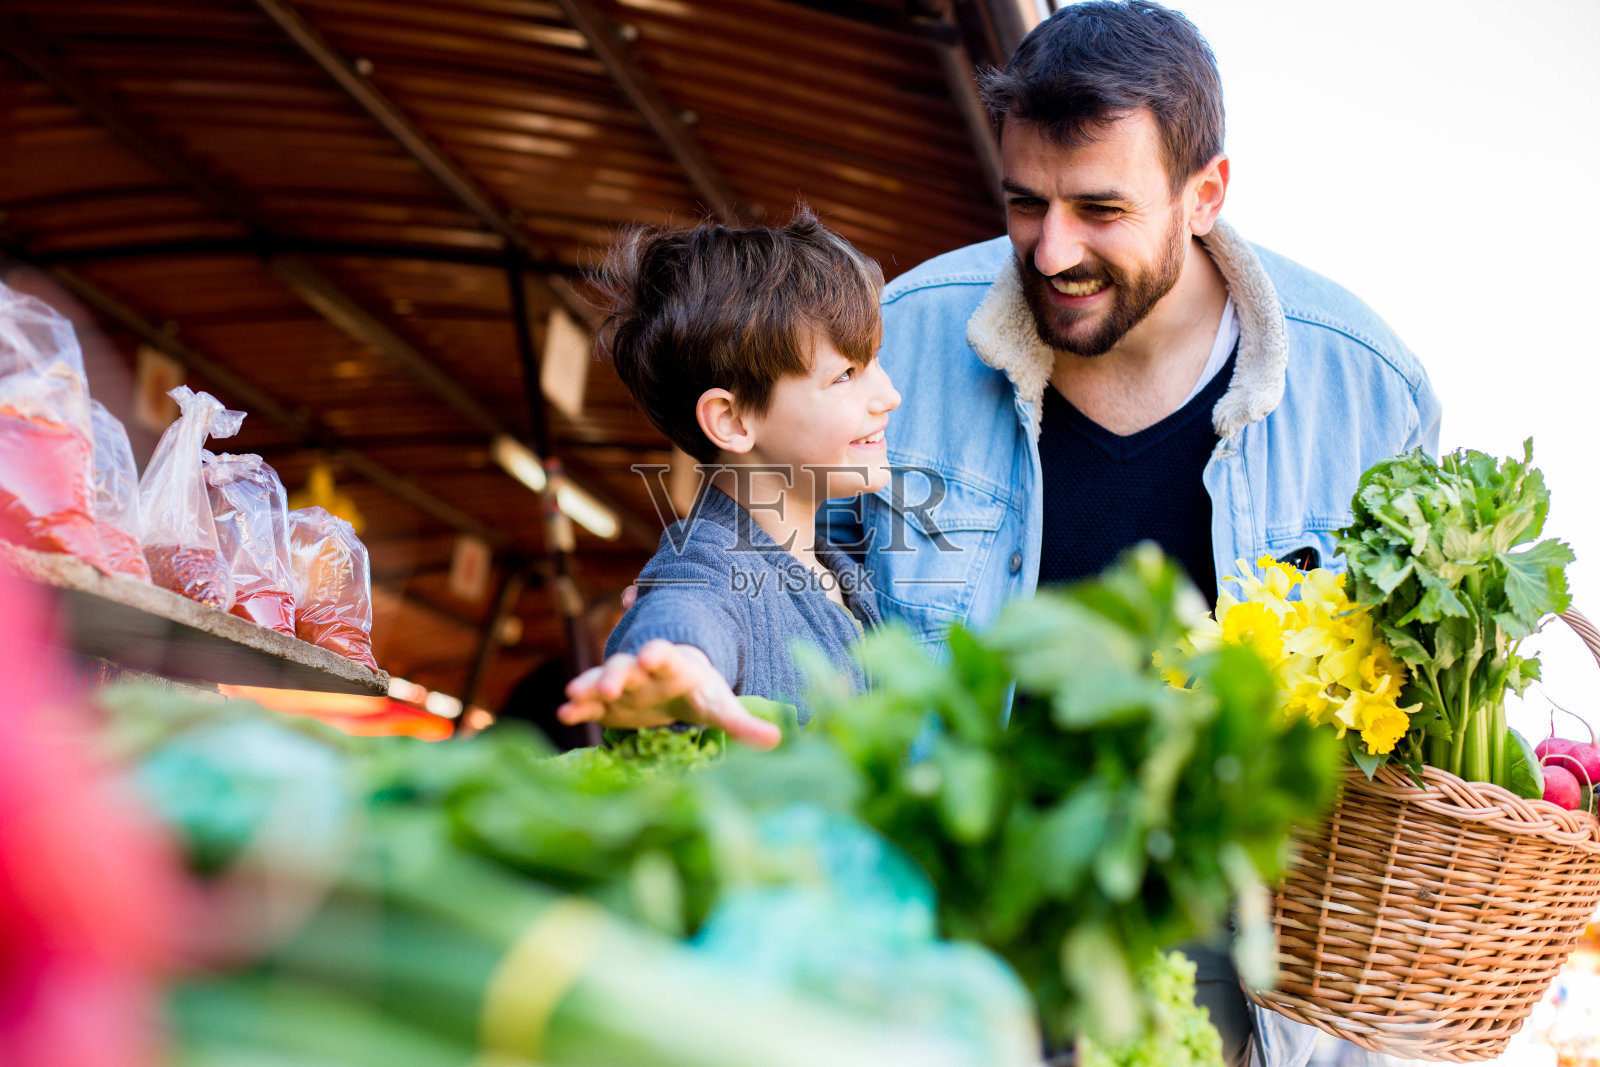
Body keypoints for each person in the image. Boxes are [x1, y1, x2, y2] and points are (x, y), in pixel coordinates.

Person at [557, 209, 900, 745]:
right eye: (846, 375)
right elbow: (683, 609)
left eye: (875, 361)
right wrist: (670, 665)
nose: (889, 396)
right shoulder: (709, 561)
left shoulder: (839, 571)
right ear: (733, 420)